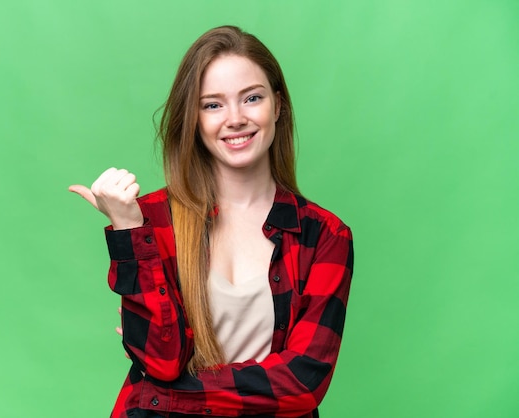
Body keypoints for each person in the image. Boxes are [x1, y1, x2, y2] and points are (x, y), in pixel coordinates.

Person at [69, 25, 354, 418]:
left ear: (278, 105)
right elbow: (161, 362)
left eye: (251, 98)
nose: (235, 119)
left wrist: (165, 394)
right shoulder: (149, 219)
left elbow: (302, 384)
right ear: (194, 119)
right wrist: (128, 231)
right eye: (213, 105)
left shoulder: (324, 234)